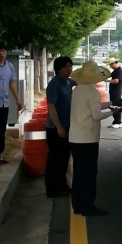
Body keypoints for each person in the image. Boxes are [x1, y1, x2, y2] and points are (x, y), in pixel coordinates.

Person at [69, 60, 121, 216]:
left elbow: (94, 106)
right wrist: (114, 112)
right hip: (88, 139)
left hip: (75, 138)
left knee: (78, 174)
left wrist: (112, 103)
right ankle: (88, 206)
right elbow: (96, 115)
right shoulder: (92, 92)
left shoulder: (77, 90)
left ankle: (78, 205)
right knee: (89, 174)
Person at [45, 55, 74, 198]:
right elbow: (51, 108)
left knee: (64, 159)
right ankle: (52, 189)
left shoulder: (68, 82)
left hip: (67, 126)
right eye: (66, 67)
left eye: (70, 66)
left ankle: (62, 185)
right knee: (55, 160)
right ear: (58, 69)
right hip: (55, 128)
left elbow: (81, 80)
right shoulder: (54, 85)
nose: (70, 69)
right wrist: (59, 127)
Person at [107, 57, 122, 128]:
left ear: (114, 63)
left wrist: (107, 81)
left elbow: (116, 81)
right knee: (113, 107)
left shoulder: (119, 71)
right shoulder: (115, 70)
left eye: (111, 65)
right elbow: (109, 75)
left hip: (116, 92)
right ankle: (115, 121)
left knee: (116, 107)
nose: (110, 66)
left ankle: (118, 122)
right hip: (113, 91)